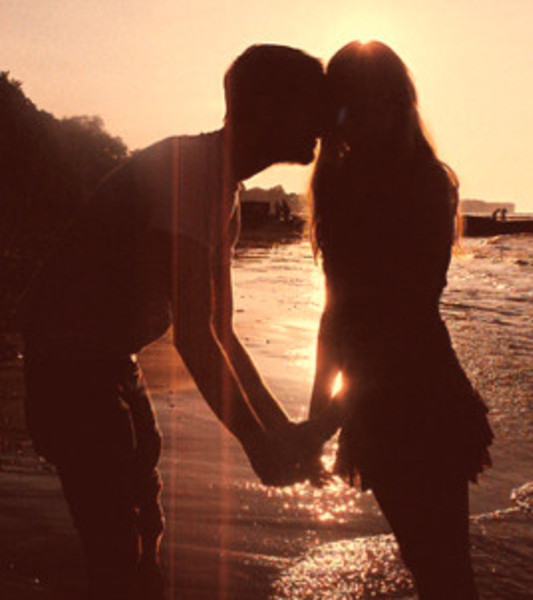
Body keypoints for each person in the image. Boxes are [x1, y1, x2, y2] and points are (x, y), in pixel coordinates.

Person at [21, 45, 327, 600]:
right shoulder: (191, 174)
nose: (324, 123)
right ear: (265, 106)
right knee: (119, 547)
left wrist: (281, 432)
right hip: (71, 371)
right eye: (314, 105)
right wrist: (258, 445)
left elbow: (221, 330)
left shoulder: (221, 186)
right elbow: (193, 335)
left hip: (110, 364)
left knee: (144, 528)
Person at [308, 41, 493, 599]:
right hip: (370, 401)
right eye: (346, 104)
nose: (359, 117)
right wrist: (318, 410)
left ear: (400, 104)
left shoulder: (425, 182)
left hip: (423, 395)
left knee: (444, 570)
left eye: (377, 101)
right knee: (425, 561)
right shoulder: (337, 182)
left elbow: (407, 311)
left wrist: (327, 419)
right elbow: (335, 309)